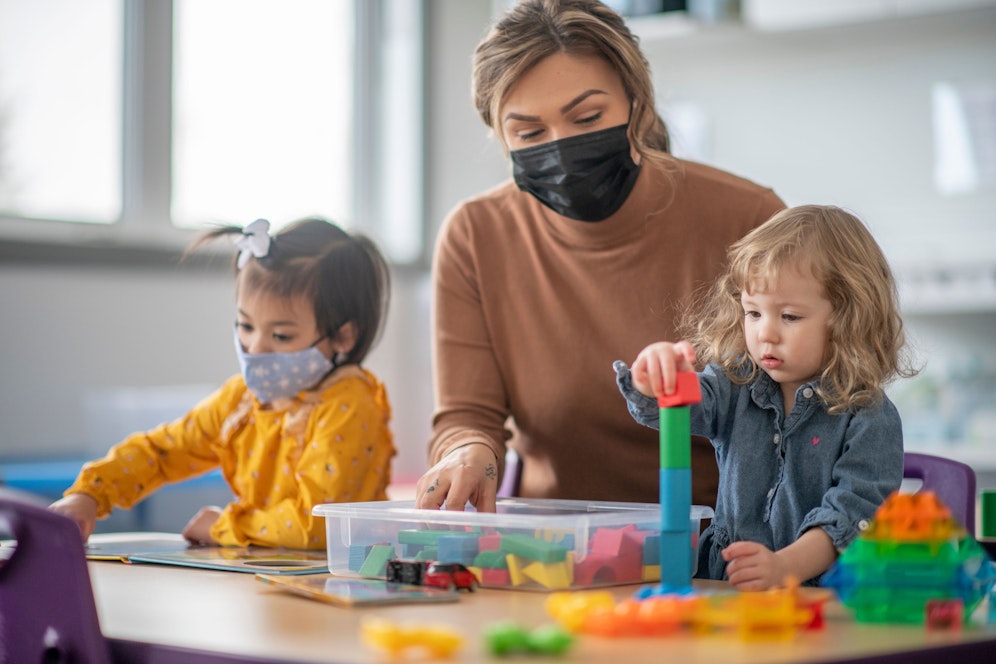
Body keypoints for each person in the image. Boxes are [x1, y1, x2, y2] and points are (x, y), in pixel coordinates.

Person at [415, 0, 785, 512]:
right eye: (529, 133)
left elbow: (807, 407)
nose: (562, 147)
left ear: (639, 105)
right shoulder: (476, 235)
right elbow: (468, 417)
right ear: (501, 139)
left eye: (588, 117)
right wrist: (466, 454)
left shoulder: (750, 220)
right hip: (551, 551)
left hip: (724, 554)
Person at [614, 205, 919, 590]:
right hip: (725, 585)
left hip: (815, 597)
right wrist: (655, 376)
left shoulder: (869, 417)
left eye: (789, 317)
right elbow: (675, 407)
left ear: (847, 318)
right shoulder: (735, 383)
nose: (765, 334)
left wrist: (782, 567)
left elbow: (850, 516)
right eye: (753, 313)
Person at [50, 217, 395, 549]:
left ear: (343, 337)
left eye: (280, 335)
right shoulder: (241, 401)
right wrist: (91, 494)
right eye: (246, 326)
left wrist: (224, 526)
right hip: (265, 581)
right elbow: (162, 451)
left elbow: (318, 524)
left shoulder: (348, 404)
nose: (255, 348)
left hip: (343, 581)